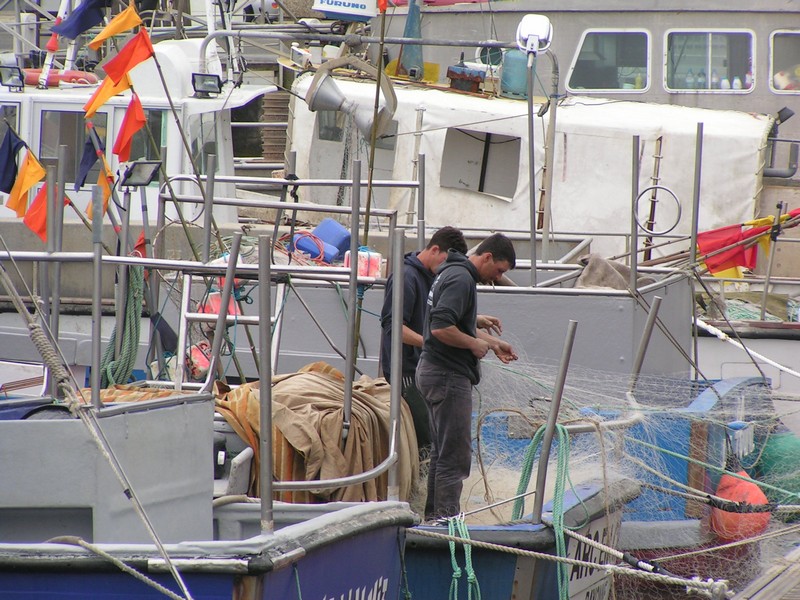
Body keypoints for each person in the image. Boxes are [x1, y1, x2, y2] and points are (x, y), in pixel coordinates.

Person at [415, 232, 518, 520]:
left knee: (441, 453)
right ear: (486, 257)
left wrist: (495, 344)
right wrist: (475, 344)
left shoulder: (452, 272)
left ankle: (434, 520)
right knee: (454, 458)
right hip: (447, 376)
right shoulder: (461, 280)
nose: (497, 278)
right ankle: (447, 523)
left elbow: (452, 321)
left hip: (434, 372)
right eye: (498, 270)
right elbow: (440, 328)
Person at [380, 226, 468, 454]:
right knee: (428, 441)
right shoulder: (406, 277)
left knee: (435, 437)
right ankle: (420, 488)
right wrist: (432, 343)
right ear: (435, 249)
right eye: (446, 262)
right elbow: (394, 327)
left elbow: (438, 315)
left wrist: (476, 320)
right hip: (405, 375)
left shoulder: (432, 276)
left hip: (422, 370)